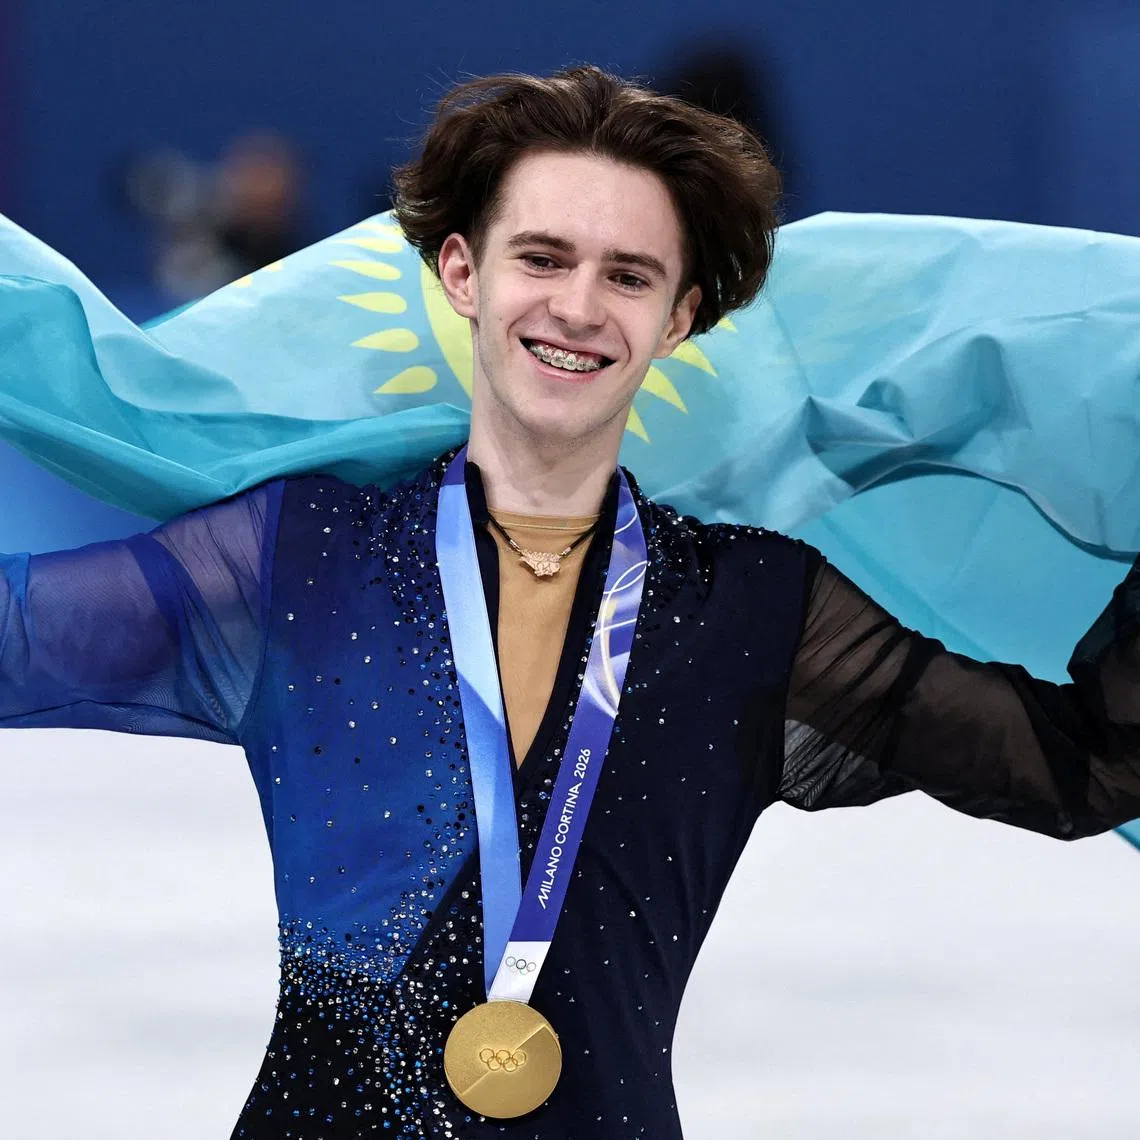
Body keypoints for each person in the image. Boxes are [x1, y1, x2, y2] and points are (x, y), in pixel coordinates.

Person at [1, 65, 1137, 1139]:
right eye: (541, 257)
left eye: (628, 274)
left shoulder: (758, 602)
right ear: (462, 273)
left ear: (682, 315)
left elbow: (1075, 766)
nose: (578, 306)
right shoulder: (297, 555)